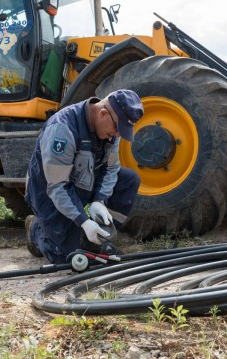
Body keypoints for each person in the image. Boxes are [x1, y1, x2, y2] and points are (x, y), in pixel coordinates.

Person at [24, 89, 144, 264]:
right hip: (49, 194)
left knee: (129, 180)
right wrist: (83, 221)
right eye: (117, 129)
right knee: (65, 258)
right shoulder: (62, 129)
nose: (118, 135)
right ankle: (36, 229)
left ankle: (99, 237)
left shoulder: (110, 127)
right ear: (103, 113)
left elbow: (111, 169)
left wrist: (99, 201)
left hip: (81, 183)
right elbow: (57, 186)